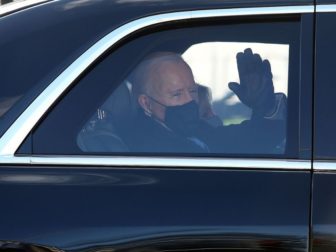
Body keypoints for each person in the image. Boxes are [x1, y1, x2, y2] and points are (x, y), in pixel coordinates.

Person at [128, 49, 286, 154]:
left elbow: (241, 141)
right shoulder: (151, 149)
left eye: (192, 91)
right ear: (146, 103)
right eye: (177, 94)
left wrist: (265, 108)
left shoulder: (187, 130)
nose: (190, 101)